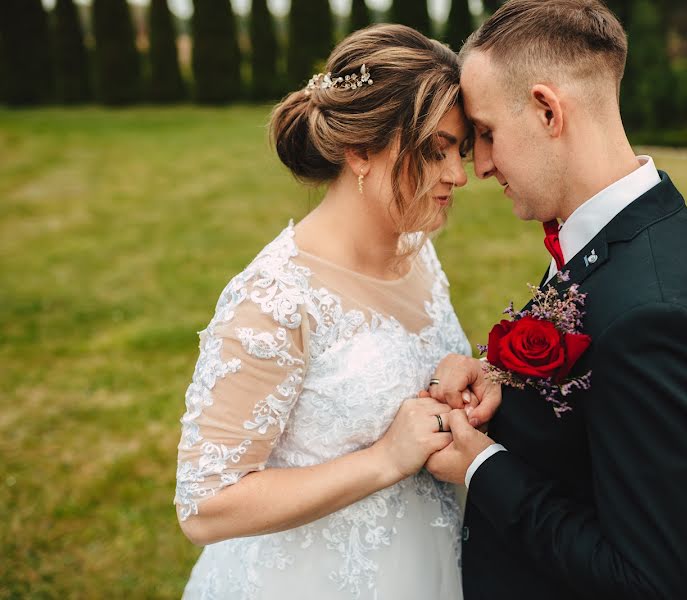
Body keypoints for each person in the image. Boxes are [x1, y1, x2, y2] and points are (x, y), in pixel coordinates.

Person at [424, 1, 687, 598]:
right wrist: (501, 379)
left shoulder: (657, 316)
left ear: (548, 111)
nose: (482, 166)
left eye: (487, 133)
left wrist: (478, 466)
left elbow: (654, 584)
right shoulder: (615, 232)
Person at [174, 24, 471, 599]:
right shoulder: (276, 299)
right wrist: (386, 459)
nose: (458, 175)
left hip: (431, 564)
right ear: (360, 150)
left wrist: (462, 376)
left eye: (460, 149)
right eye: (435, 150)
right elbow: (205, 507)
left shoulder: (418, 256)